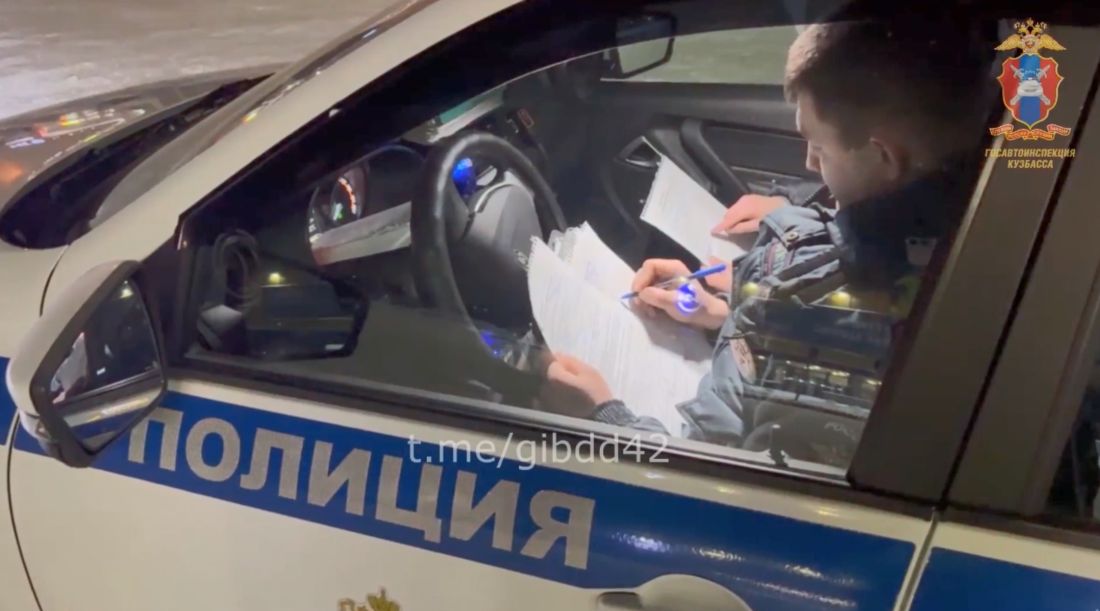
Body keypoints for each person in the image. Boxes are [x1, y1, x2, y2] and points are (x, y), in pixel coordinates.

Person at [544, 17, 996, 462]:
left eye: (819, 147)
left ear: (883, 156)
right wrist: (725, 317)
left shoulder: (797, 305)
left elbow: (699, 472)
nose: (809, 164)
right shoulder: (988, 240)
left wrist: (604, 415)